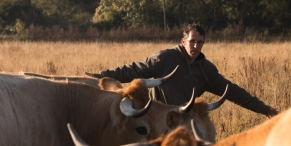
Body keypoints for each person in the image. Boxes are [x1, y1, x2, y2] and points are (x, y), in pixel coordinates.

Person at [86, 24, 279, 118]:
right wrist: (101, 76)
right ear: (183, 41)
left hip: (183, 121)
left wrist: (265, 109)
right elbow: (134, 70)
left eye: (200, 42)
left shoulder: (206, 71)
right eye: (192, 41)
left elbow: (233, 92)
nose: (195, 46)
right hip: (155, 118)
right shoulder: (165, 58)